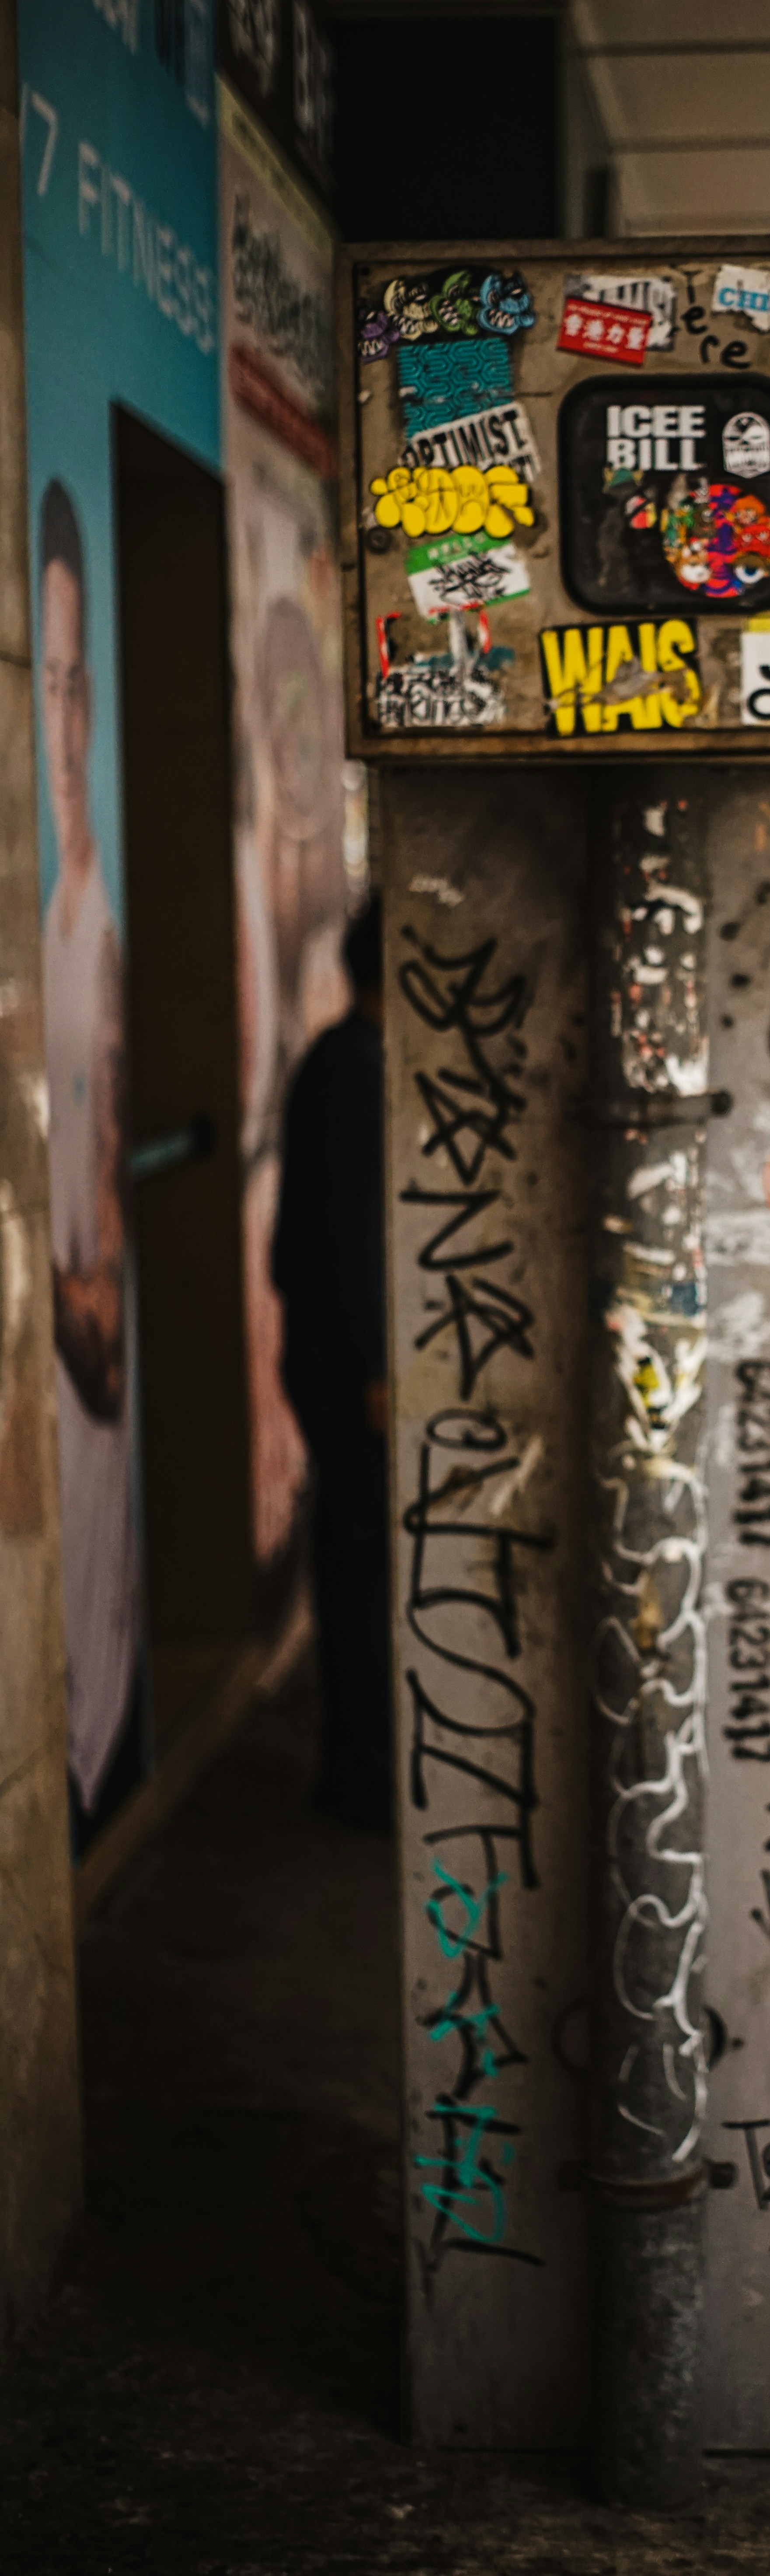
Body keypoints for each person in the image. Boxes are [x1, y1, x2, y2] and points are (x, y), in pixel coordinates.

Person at [37, 478, 144, 1831]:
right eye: (44, 677)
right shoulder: (54, 926)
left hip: (94, 1427)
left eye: (77, 689)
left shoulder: (97, 928)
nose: (60, 721)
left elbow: (102, 1293)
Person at [272, 900, 392, 1829]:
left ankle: (356, 1765)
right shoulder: (354, 1071)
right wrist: (375, 1365)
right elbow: (350, 1241)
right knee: (358, 1565)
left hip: (327, 1352)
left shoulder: (337, 1060)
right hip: (342, 1361)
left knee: (355, 1559)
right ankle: (356, 1774)